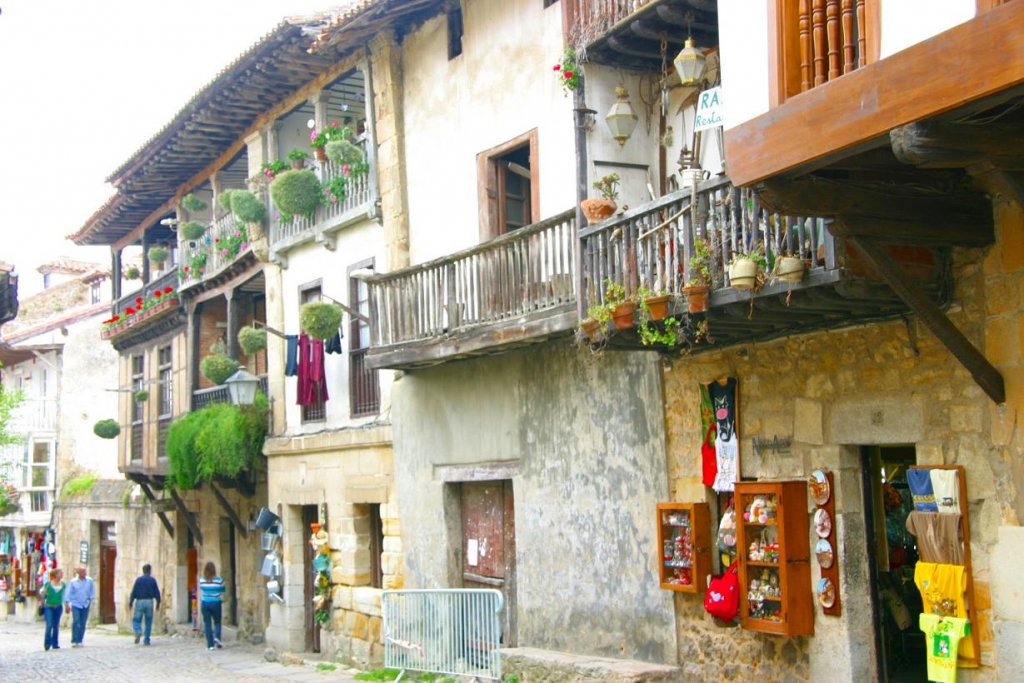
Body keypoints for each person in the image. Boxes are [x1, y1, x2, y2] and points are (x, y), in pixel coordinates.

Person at [128, 563, 161, 646]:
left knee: (136, 620)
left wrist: (131, 602)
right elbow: (157, 592)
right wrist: (158, 603)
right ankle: (146, 640)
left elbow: (133, 592)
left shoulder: (138, 580)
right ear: (150, 571)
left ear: (143, 571)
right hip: (149, 601)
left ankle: (138, 631)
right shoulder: (152, 580)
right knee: (148, 621)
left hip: (139, 601)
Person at [64, 566, 95, 647]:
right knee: (76, 621)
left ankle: (80, 639)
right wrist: (67, 603)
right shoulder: (73, 582)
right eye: (82, 572)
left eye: (85, 571)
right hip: (76, 604)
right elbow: (69, 593)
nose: (84, 573)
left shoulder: (89, 581)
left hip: (85, 604)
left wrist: (91, 600)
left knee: (83, 622)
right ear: (78, 573)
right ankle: (74, 639)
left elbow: (92, 591)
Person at [198, 561, 226, 651]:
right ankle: (217, 637)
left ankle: (210, 645)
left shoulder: (202, 580)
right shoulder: (219, 580)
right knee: (217, 622)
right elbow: (223, 590)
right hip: (216, 602)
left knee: (207, 623)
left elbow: (201, 588)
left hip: (205, 603)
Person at [40, 567, 67, 651]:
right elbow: (42, 592)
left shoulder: (63, 584)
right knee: (49, 624)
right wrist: (43, 593)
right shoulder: (48, 584)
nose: (61, 575)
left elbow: (64, 596)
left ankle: (55, 643)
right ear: (55, 575)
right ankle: (47, 643)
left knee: (56, 625)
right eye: (60, 573)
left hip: (58, 606)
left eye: (62, 573)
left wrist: (67, 605)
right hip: (49, 606)